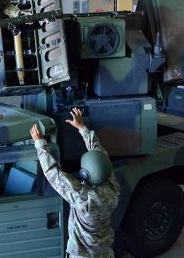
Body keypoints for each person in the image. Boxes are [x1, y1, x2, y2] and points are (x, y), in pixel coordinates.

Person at [30, 108, 120, 258]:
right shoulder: (113, 189)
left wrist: (39, 143)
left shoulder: (83, 198)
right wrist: (81, 127)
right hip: (104, 252)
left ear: (85, 174)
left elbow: (53, 173)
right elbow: (100, 155)